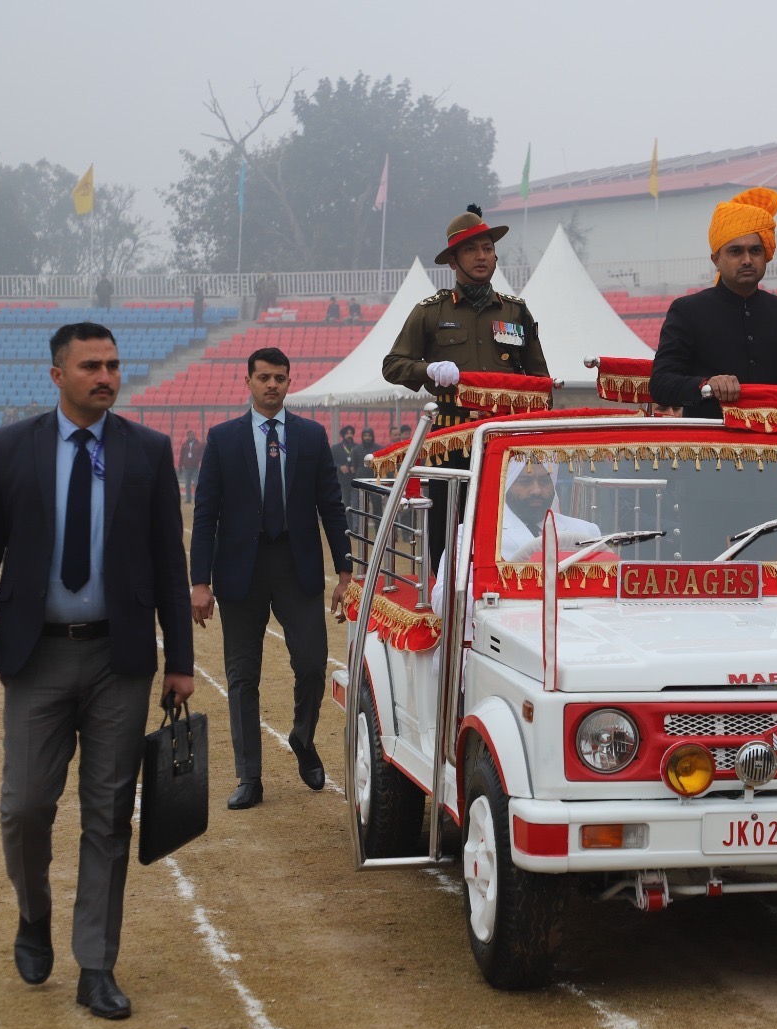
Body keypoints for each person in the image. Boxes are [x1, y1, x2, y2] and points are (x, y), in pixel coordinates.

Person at [0, 321, 194, 1020]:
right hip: (36, 655)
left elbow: (169, 567)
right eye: (91, 365)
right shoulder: (10, 449)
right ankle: (33, 915)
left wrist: (179, 660)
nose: (106, 376)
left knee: (108, 815)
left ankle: (97, 965)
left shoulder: (147, 452)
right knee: (24, 806)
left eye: (114, 365)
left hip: (119, 660)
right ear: (57, 374)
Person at [189, 348, 353, 811]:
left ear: (289, 382)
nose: (272, 385)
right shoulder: (222, 439)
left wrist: (345, 570)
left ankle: (302, 738)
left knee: (313, 662)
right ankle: (249, 776)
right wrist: (199, 581)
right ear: (248, 382)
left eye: (280, 378)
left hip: (296, 566)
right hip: (240, 570)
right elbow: (206, 513)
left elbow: (330, 505)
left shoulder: (312, 436)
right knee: (243, 675)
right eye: (263, 377)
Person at [383, 204, 550, 560]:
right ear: (453, 261)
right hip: (451, 442)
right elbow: (393, 365)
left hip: (504, 443)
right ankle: (447, 607)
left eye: (488, 249)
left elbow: (540, 383)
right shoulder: (431, 312)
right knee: (447, 537)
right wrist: (426, 370)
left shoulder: (515, 311)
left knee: (508, 535)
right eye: (471, 250)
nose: (481, 257)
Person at [647, 187, 777, 419]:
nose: (747, 260)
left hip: (776, 448)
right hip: (712, 449)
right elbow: (661, 385)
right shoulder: (688, 311)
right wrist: (706, 385)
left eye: (755, 251)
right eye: (735, 251)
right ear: (716, 260)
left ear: (766, 256)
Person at [333, 424, 362, 512]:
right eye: (347, 433)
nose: (349, 435)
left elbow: (361, 462)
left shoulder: (358, 447)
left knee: (356, 504)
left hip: (355, 480)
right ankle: (347, 524)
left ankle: (356, 526)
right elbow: (331, 462)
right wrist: (340, 467)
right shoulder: (335, 448)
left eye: (351, 433)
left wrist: (355, 467)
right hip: (342, 480)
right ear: (343, 435)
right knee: (345, 503)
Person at [178, 429, 202, 503]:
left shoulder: (199, 444)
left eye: (192, 435)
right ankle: (188, 499)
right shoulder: (184, 445)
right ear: (187, 436)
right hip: (186, 467)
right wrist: (180, 466)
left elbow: (201, 454)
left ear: (194, 435)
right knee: (187, 484)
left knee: (196, 483)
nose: (191, 436)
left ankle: (197, 499)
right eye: (189, 435)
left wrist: (197, 459)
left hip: (195, 467)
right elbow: (181, 455)